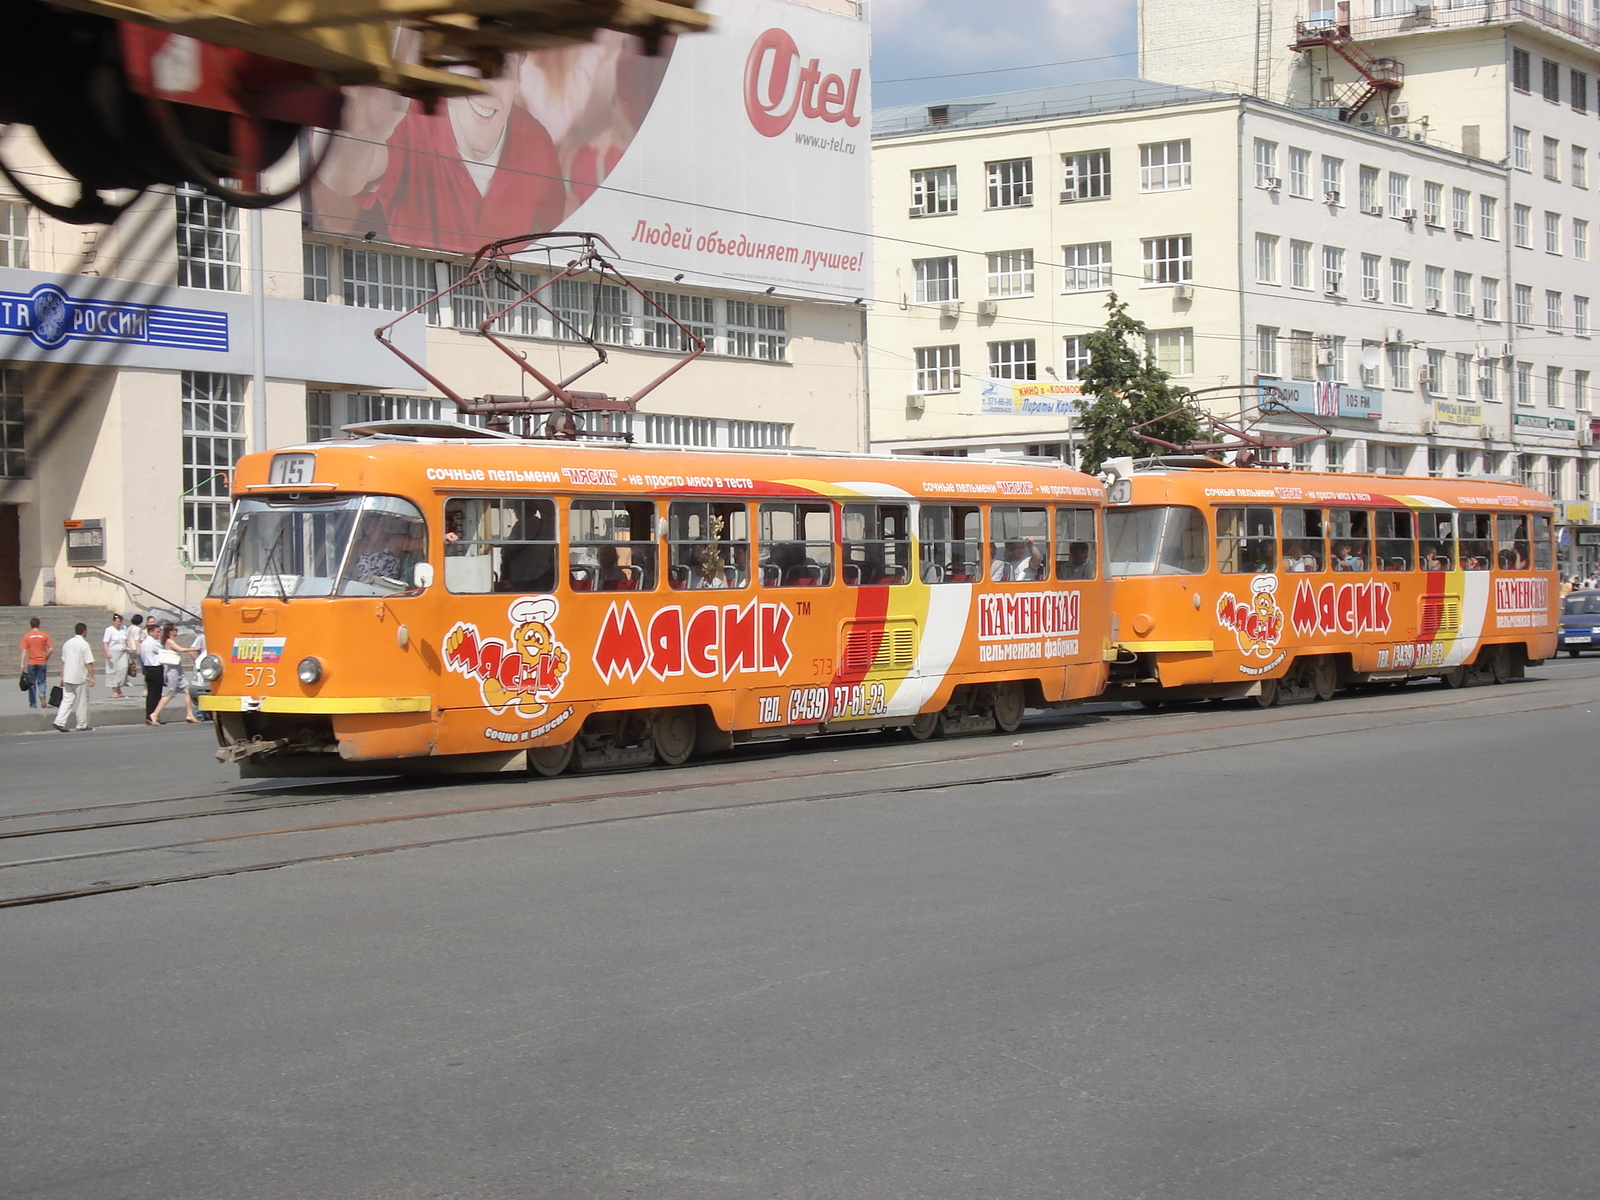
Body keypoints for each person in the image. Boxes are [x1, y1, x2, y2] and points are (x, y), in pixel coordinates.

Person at [149, 624, 201, 725]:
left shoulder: (170, 641)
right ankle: (154, 714)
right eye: (175, 629)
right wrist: (194, 649)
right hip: (173, 670)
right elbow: (180, 649)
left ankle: (189, 714)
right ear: (170, 631)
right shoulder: (169, 641)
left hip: (178, 668)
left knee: (187, 690)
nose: (177, 631)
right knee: (170, 693)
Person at [53, 622, 94, 732]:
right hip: (79, 676)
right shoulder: (84, 644)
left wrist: (61, 676)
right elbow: (88, 662)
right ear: (84, 631)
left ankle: (59, 721)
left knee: (67, 700)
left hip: (68, 675)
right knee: (82, 701)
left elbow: (63, 661)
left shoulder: (67, 643)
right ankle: (81, 724)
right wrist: (92, 677)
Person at [19, 616, 52, 709]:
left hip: (31, 662)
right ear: (39, 625)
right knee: (42, 681)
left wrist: (22, 664)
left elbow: (24, 651)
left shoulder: (27, 636)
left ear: (31, 625)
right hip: (42, 661)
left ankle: (33, 703)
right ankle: (42, 693)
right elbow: (51, 648)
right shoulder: (45, 635)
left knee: (32, 683)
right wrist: (46, 657)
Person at [139, 622, 165, 723]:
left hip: (147, 668)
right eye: (157, 632)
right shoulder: (154, 643)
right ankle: (154, 715)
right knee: (156, 694)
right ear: (151, 632)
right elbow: (163, 652)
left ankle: (149, 715)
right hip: (155, 669)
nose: (159, 634)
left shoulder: (144, 642)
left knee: (150, 695)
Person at [101, 613, 128, 699]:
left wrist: (129, 647)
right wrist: (107, 652)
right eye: (117, 622)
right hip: (113, 652)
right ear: (113, 621)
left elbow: (126, 639)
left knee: (123, 669)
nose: (119, 623)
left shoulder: (124, 628)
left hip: (123, 651)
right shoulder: (109, 630)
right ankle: (114, 690)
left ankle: (119, 687)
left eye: (120, 622)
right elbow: (105, 642)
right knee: (113, 671)